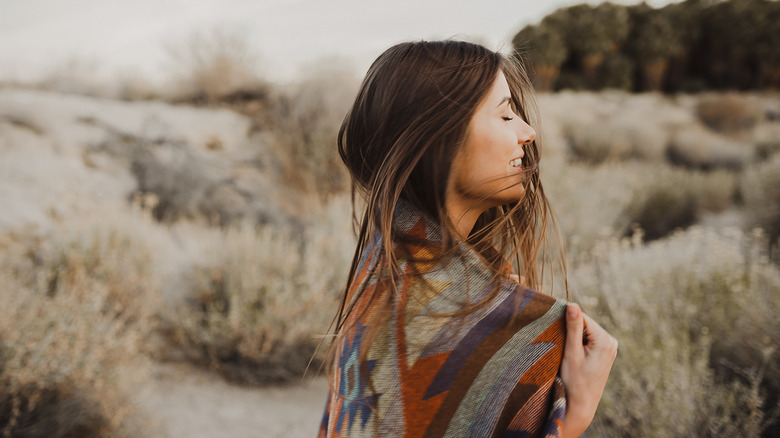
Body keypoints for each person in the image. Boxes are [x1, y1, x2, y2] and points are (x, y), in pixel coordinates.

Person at [318, 40, 617, 438]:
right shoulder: (517, 337)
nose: (528, 132)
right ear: (439, 137)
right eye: (506, 115)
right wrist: (574, 417)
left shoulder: (379, 272)